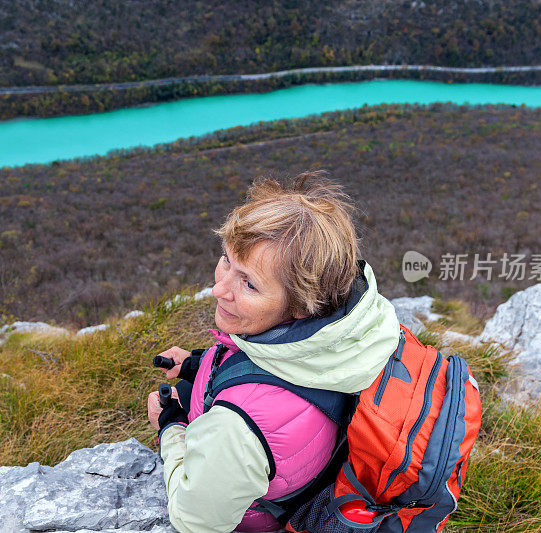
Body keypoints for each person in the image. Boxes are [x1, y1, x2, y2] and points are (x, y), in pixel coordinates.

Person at [147, 171, 401, 533]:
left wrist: (171, 427)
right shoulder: (348, 330)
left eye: (248, 282)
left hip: (259, 516)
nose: (219, 288)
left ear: (300, 304)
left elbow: (194, 520)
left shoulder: (235, 428)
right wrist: (196, 363)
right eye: (226, 260)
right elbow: (277, 370)